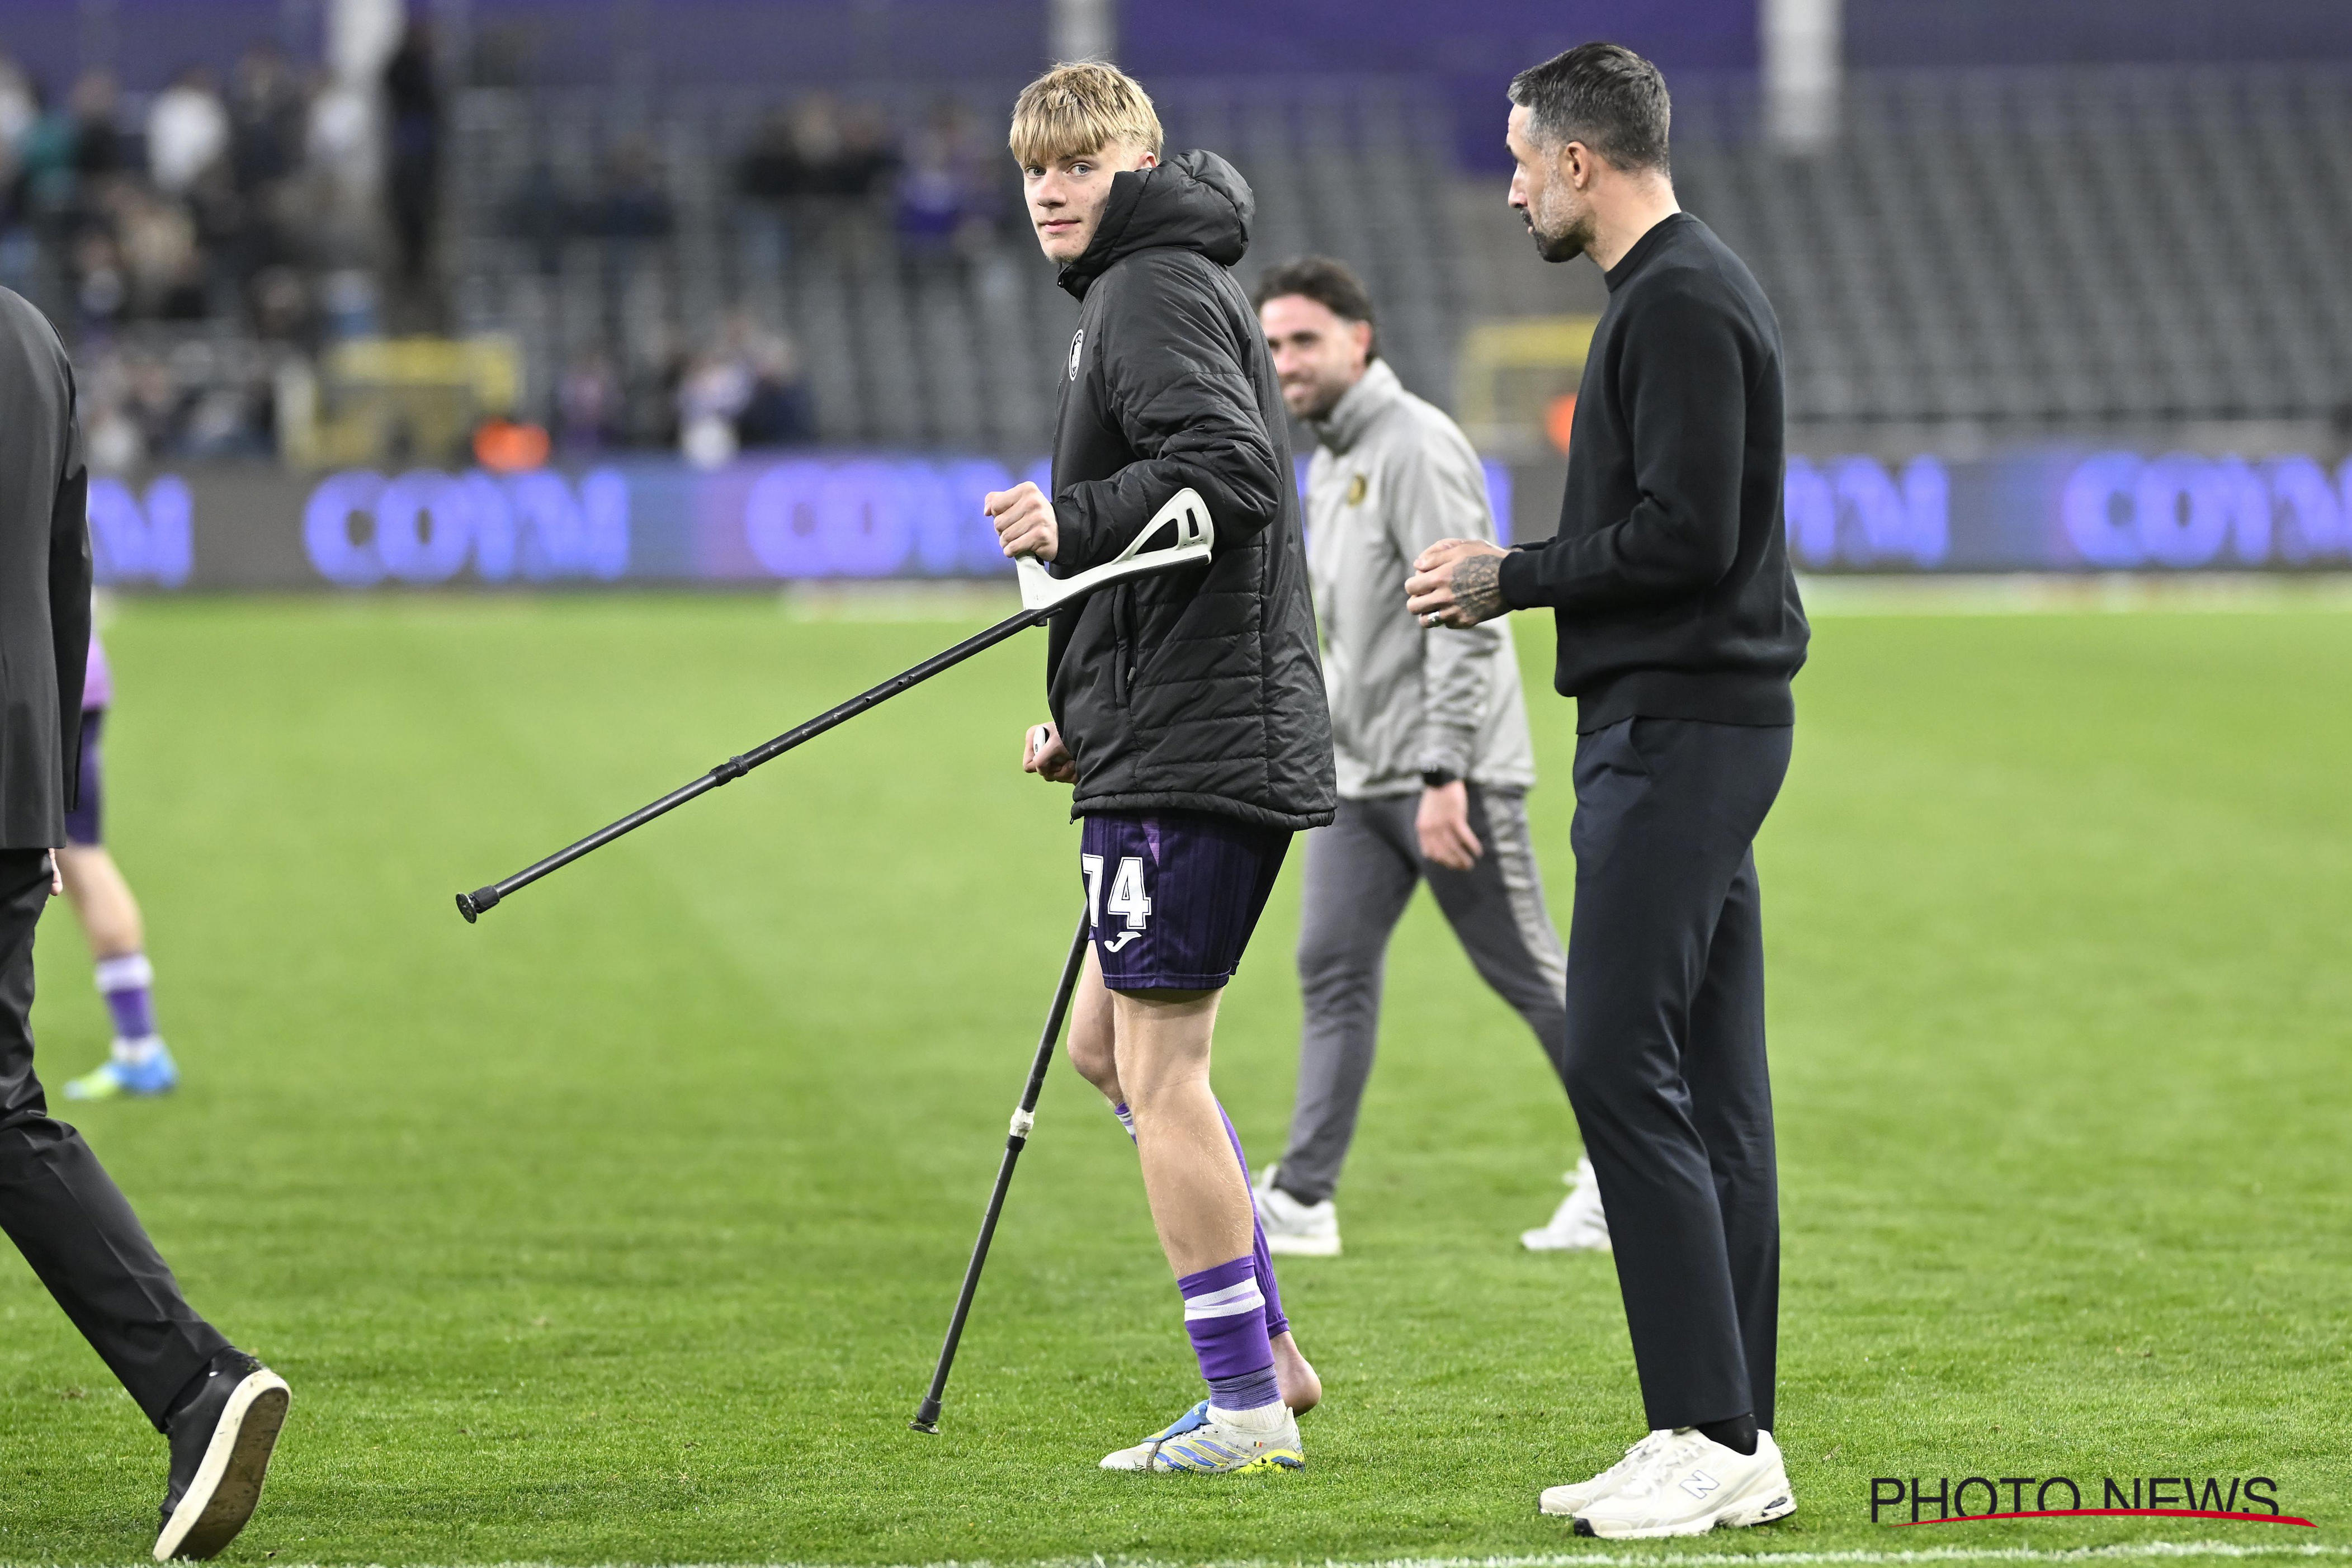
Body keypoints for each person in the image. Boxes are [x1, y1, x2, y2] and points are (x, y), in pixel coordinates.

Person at [1406, 43, 1808, 1539]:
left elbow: (1688, 534)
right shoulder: (1670, 293)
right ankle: (1726, 1433)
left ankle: (1704, 1425)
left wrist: (1508, 576)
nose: (1510, 187)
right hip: (1689, 721)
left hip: (1681, 729)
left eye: (1520, 159)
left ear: (1578, 162)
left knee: (1613, 1060)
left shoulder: (1678, 299)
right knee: (1710, 1088)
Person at [989, 62, 1336, 1475]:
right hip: (1165, 728)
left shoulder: (1150, 287)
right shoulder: (1149, 283)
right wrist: (1089, 695)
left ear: (1136, 160)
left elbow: (1234, 474)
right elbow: (1192, 531)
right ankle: (1277, 1357)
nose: (1050, 189)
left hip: (1199, 748)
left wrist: (1065, 524)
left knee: (1160, 1066)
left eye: (1078, 162)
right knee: (1102, 1048)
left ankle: (1244, 1412)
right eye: (1032, 171)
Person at [0, 282, 287, 1557]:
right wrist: (49, 804)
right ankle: (193, 1383)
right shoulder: (29, 334)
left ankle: (195, 1379)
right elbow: (71, 579)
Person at [1246, 256, 1607, 1258]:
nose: (1286, 363)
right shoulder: (1326, 460)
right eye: (1273, 345)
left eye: (1304, 341)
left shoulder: (1415, 445)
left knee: (1532, 974)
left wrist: (1446, 773)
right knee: (1329, 965)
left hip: (1447, 777)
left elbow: (1472, 613)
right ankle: (1305, 1195)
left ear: (1361, 339)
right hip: (1362, 777)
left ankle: (1632, 1164)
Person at [58, 629, 180, 1099]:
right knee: (80, 852)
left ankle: (141, 1050)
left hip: (34, 683)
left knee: (79, 855)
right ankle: (139, 1046)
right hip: (75, 676)